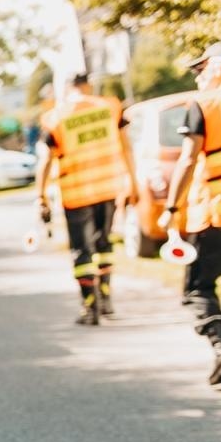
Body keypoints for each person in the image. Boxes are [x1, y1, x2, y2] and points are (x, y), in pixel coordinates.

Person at [35, 72, 138, 324]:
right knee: (104, 244)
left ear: (67, 88)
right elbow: (126, 146)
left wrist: (41, 196)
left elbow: (46, 160)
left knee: (82, 252)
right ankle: (106, 300)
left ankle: (89, 307)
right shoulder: (110, 107)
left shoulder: (56, 117)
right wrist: (133, 183)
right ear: (88, 86)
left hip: (76, 193)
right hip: (108, 188)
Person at [160, 42, 221, 384]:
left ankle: (220, 344)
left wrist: (171, 207)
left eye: (201, 70)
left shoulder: (204, 104)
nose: (197, 78)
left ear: (216, 68)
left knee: (198, 288)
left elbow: (187, 158)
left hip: (214, 214)